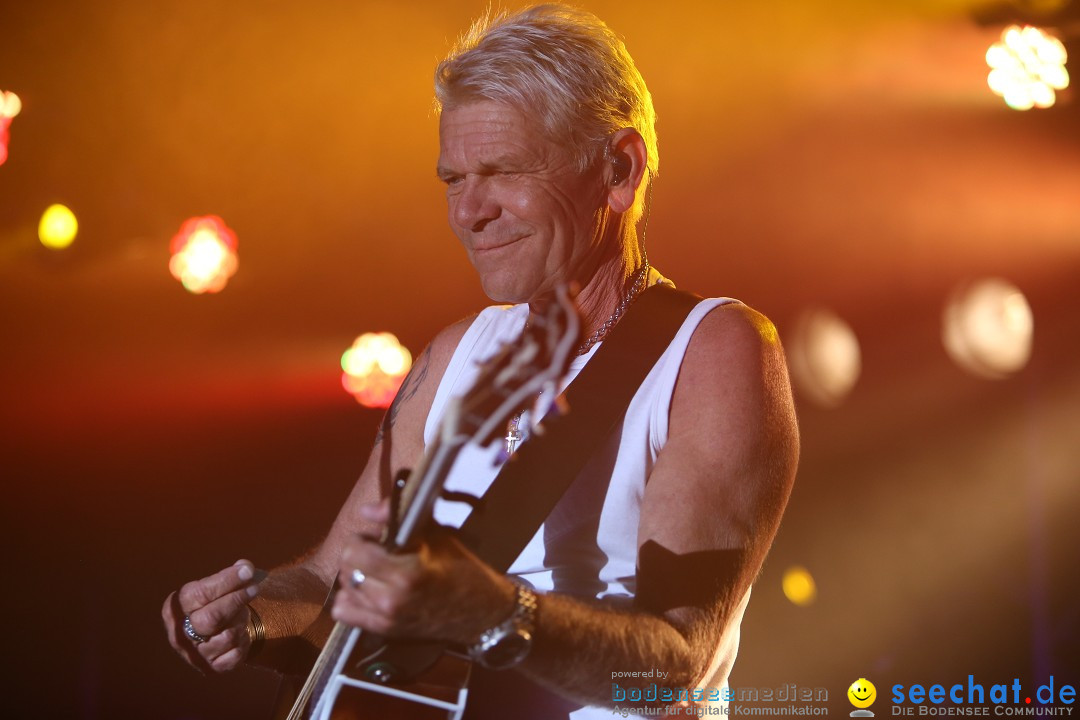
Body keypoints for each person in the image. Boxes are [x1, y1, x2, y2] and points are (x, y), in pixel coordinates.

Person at [162, 5, 799, 718]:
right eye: (453, 180)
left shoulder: (715, 348)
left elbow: (676, 666)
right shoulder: (454, 352)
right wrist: (252, 612)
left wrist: (496, 613)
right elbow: (331, 579)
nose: (469, 212)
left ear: (619, 170)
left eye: (502, 171)